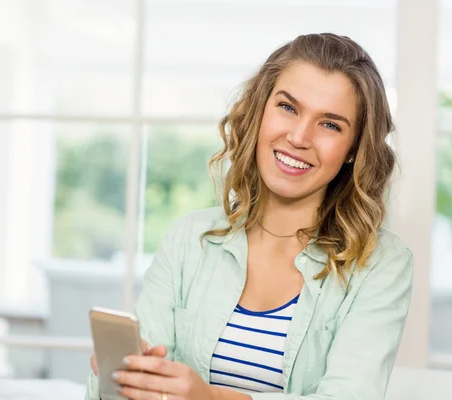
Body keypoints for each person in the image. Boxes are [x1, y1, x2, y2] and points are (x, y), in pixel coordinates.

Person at [86, 33, 413, 400]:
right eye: (288, 108)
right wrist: (123, 379)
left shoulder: (382, 264)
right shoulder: (189, 239)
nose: (299, 137)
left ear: (354, 149)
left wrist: (209, 398)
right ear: (260, 111)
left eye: (330, 124)